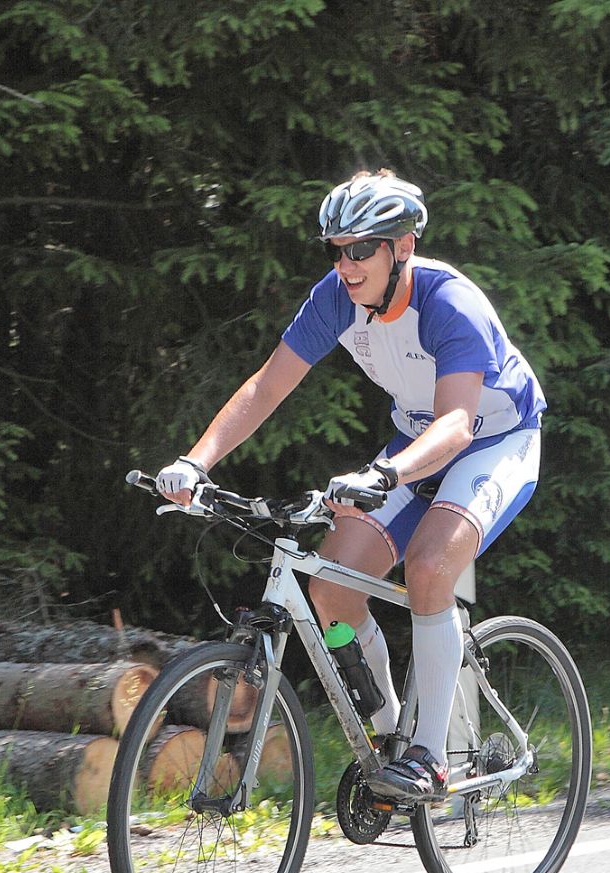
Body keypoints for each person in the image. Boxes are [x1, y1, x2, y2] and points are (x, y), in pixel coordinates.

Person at [156, 169, 545, 801]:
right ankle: (391, 741)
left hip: (495, 440)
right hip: (414, 443)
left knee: (429, 567)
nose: (346, 264)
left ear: (403, 247)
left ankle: (430, 756)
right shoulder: (337, 298)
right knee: (331, 588)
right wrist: (196, 462)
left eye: (361, 248)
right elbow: (266, 386)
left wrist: (384, 472)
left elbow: (456, 424)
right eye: (336, 249)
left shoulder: (450, 302)